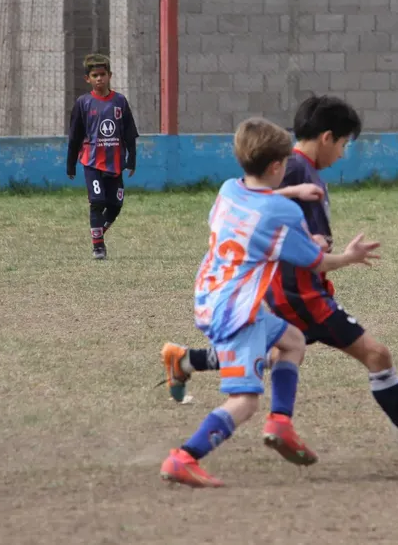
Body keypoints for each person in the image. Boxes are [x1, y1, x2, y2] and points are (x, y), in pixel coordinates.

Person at [161, 95, 398, 471]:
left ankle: (186, 361)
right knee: (375, 355)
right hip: (301, 292)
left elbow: (251, 201)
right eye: (345, 144)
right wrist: (344, 255)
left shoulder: (262, 179)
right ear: (327, 137)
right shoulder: (295, 168)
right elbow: (299, 246)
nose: (344, 154)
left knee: (281, 348)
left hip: (260, 295)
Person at [159, 116, 381, 488]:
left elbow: (256, 203)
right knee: (244, 402)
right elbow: (315, 262)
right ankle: (184, 457)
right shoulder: (282, 215)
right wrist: (348, 256)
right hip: (237, 312)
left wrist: (294, 192)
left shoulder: (228, 190)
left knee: (292, 340)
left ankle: (281, 422)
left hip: (211, 296)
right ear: (278, 166)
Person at [65, 54, 138, 260]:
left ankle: (97, 232)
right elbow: (75, 135)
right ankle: (98, 247)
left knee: (115, 205)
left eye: (103, 75)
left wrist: (131, 159)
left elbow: (130, 133)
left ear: (110, 76)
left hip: (114, 163)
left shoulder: (119, 102)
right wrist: (70, 164)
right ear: (87, 79)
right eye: (95, 75)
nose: (99, 79)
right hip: (92, 161)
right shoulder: (83, 103)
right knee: (97, 201)